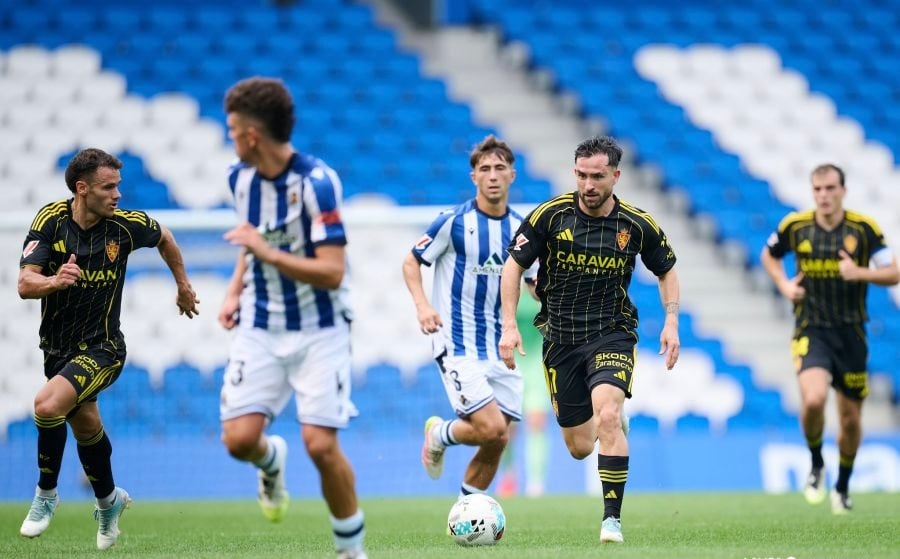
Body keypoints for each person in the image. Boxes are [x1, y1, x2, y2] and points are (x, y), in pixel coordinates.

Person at [498, 135, 680, 544]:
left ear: (616, 176)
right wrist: (510, 324)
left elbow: (667, 269)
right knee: (580, 447)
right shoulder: (550, 216)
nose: (588, 184)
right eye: (581, 175)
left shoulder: (636, 225)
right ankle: (607, 420)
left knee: (608, 415)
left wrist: (671, 321)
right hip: (561, 341)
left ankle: (611, 520)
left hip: (612, 335)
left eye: (597, 176)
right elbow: (513, 267)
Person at [17, 148, 199, 549]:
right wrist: (55, 281)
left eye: (118, 186)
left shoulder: (125, 227)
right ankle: (109, 502)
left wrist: (183, 285)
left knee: (47, 406)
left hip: (104, 348)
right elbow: (25, 284)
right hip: (57, 349)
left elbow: (165, 238)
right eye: (108, 187)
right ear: (82, 189)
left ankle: (46, 495)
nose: (118, 194)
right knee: (85, 426)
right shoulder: (51, 221)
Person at [217, 77, 366, 559]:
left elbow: (333, 271)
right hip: (260, 325)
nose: (230, 138)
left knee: (320, 445)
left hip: (321, 329)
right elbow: (250, 240)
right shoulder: (239, 180)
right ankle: (270, 460)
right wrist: (234, 289)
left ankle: (351, 551)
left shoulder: (317, 183)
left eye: (233, 130)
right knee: (239, 441)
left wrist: (267, 253)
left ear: (252, 136)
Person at [760, 163, 899, 514]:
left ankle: (843, 485)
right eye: (817, 189)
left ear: (843, 191)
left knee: (850, 418)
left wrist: (860, 272)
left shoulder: (863, 229)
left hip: (851, 334)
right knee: (813, 399)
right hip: (811, 329)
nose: (823, 195)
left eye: (830, 188)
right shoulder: (796, 226)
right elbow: (769, 255)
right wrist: (784, 285)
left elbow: (893, 272)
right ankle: (816, 461)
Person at [402, 135, 534, 500]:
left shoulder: (522, 230)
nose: (492, 175)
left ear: (512, 175)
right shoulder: (453, 222)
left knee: (498, 438)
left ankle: (465, 513)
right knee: (491, 429)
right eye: (484, 169)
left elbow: (535, 282)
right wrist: (422, 306)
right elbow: (411, 261)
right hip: (457, 344)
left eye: (499, 168)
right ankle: (440, 434)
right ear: (473, 176)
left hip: (500, 347)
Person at [496, 293, 552, 497]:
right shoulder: (506, 285)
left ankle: (536, 484)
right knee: (507, 428)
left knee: (537, 422)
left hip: (537, 362)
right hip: (511, 362)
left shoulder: (546, 285)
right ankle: (508, 475)